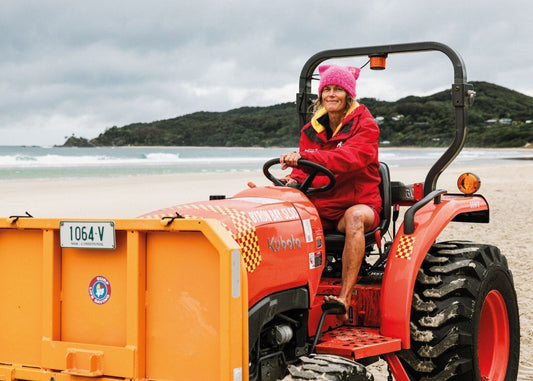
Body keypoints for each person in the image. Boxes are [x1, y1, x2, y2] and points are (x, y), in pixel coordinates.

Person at [279, 64, 381, 320]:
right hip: (322, 205)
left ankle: (343, 299)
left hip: (357, 203)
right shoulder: (310, 131)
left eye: (338, 89)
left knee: (356, 218)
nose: (331, 94)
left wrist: (306, 157)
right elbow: (304, 171)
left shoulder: (366, 126)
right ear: (320, 95)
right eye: (327, 89)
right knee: (282, 212)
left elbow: (350, 158)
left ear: (349, 95)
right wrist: (292, 181)